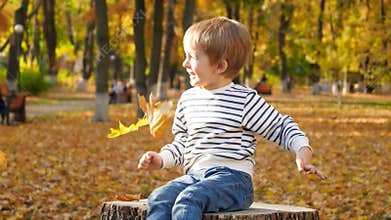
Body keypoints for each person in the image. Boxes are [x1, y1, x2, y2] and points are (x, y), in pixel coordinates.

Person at [138, 17, 326, 220]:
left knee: (189, 200)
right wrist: (161, 159)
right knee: (159, 197)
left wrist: (302, 150)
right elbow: (183, 142)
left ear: (220, 66)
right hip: (194, 177)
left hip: (233, 180)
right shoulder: (188, 99)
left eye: (192, 57)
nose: (184, 63)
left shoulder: (244, 99)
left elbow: (281, 127)